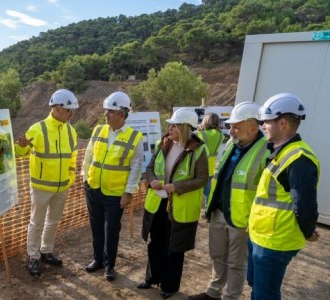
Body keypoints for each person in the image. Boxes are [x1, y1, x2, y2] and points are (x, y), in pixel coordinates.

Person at [189, 102, 269, 300]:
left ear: (252, 128)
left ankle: (231, 296)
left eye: (236, 126)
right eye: (231, 125)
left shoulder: (266, 150)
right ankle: (213, 291)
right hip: (219, 211)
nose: (230, 130)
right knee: (217, 255)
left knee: (236, 262)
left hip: (242, 218)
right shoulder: (233, 143)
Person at [247, 93, 320, 300]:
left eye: (266, 122)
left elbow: (305, 205)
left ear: (282, 123)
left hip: (275, 243)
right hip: (261, 236)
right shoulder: (279, 152)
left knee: (265, 295)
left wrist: (308, 231)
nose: (262, 126)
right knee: (257, 288)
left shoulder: (299, 158)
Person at [137, 108, 209, 299]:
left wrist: (177, 187)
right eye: (169, 125)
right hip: (158, 203)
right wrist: (152, 179)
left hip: (179, 207)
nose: (169, 129)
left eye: (174, 126)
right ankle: (151, 278)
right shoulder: (164, 143)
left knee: (173, 246)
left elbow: (202, 179)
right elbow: (150, 168)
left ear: (185, 128)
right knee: (155, 242)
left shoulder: (198, 149)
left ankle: (169, 286)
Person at [15, 88, 79, 279]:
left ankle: (46, 251)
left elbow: (72, 157)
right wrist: (21, 146)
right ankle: (33, 257)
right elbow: (20, 153)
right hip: (41, 187)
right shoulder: (38, 128)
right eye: (69, 110)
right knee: (36, 223)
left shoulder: (71, 131)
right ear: (58, 109)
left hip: (62, 187)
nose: (70, 114)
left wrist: (70, 178)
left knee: (53, 221)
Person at [81, 91, 143, 281]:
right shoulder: (99, 130)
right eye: (106, 111)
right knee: (96, 228)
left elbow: (136, 167)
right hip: (93, 188)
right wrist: (84, 177)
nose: (105, 114)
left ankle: (109, 265)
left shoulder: (135, 138)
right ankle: (98, 260)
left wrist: (128, 192)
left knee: (111, 231)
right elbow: (89, 156)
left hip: (115, 194)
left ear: (122, 114)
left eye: (110, 111)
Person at [196, 113, 224, 205]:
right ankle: (208, 212)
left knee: (196, 192)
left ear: (205, 121)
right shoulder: (220, 135)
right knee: (208, 192)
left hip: (199, 169)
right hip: (211, 169)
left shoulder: (200, 134)